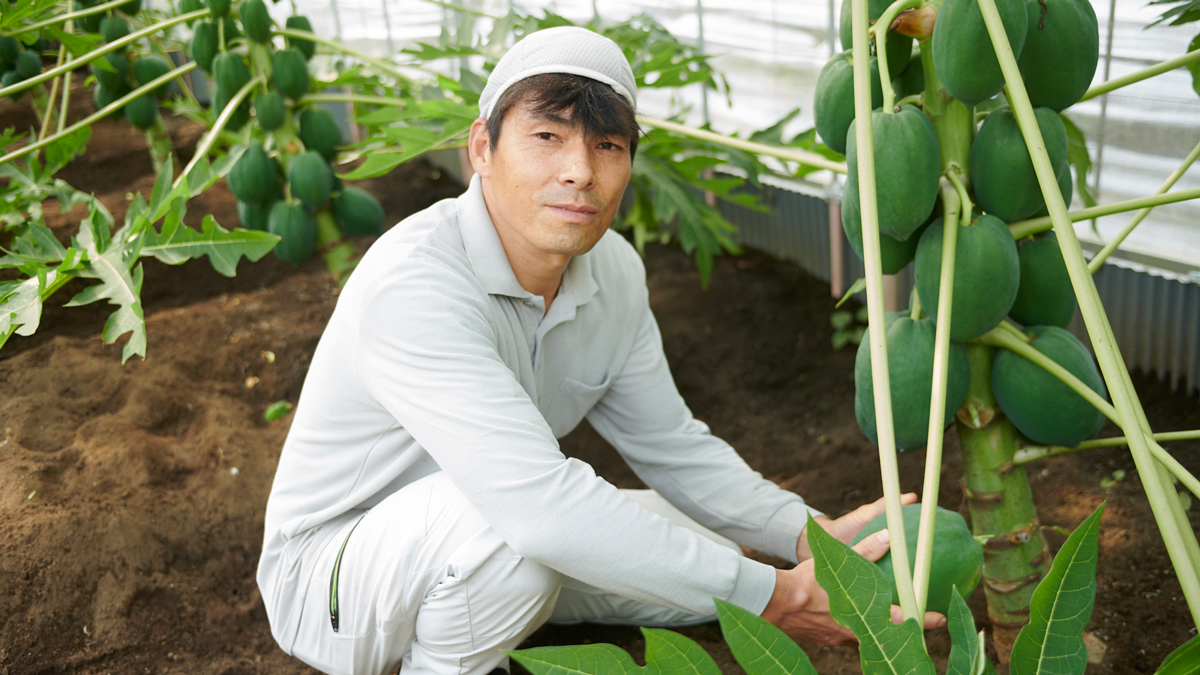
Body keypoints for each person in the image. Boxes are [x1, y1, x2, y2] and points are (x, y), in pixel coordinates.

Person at [256, 25, 944, 675]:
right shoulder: (415, 284)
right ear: (482, 148)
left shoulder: (612, 271)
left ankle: (488, 602)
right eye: (547, 137)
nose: (580, 172)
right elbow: (539, 509)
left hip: (481, 537)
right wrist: (776, 597)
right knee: (521, 534)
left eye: (607, 146)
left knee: (702, 543)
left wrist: (807, 537)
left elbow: (672, 444)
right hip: (333, 578)